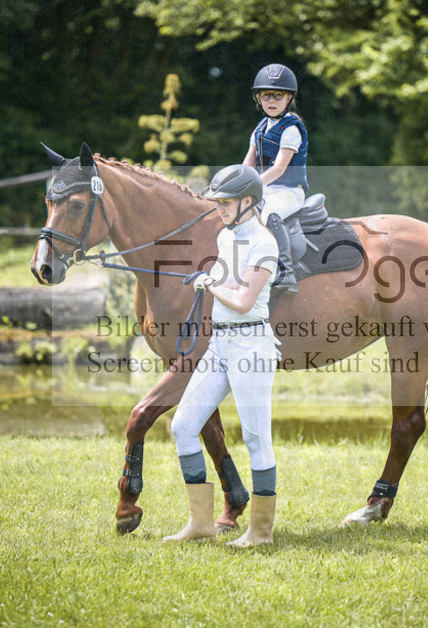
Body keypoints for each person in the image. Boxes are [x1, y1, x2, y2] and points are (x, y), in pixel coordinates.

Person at [164, 164, 281, 547]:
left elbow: (245, 301)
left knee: (255, 437)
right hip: (221, 344)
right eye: (217, 202)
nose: (220, 208)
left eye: (226, 202)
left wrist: (211, 285)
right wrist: (210, 279)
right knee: (183, 426)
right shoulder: (227, 238)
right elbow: (227, 281)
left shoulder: (265, 243)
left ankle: (260, 532)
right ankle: (200, 523)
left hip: (251, 345)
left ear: (248, 201)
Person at [242, 63, 308, 293]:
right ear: (258, 98)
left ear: (288, 97)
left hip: (289, 191)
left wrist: (252, 184)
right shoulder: (260, 127)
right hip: (265, 188)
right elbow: (248, 163)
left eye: (278, 95)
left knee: (270, 213)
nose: (271, 100)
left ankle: (286, 272)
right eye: (265, 95)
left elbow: (279, 169)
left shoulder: (292, 128)